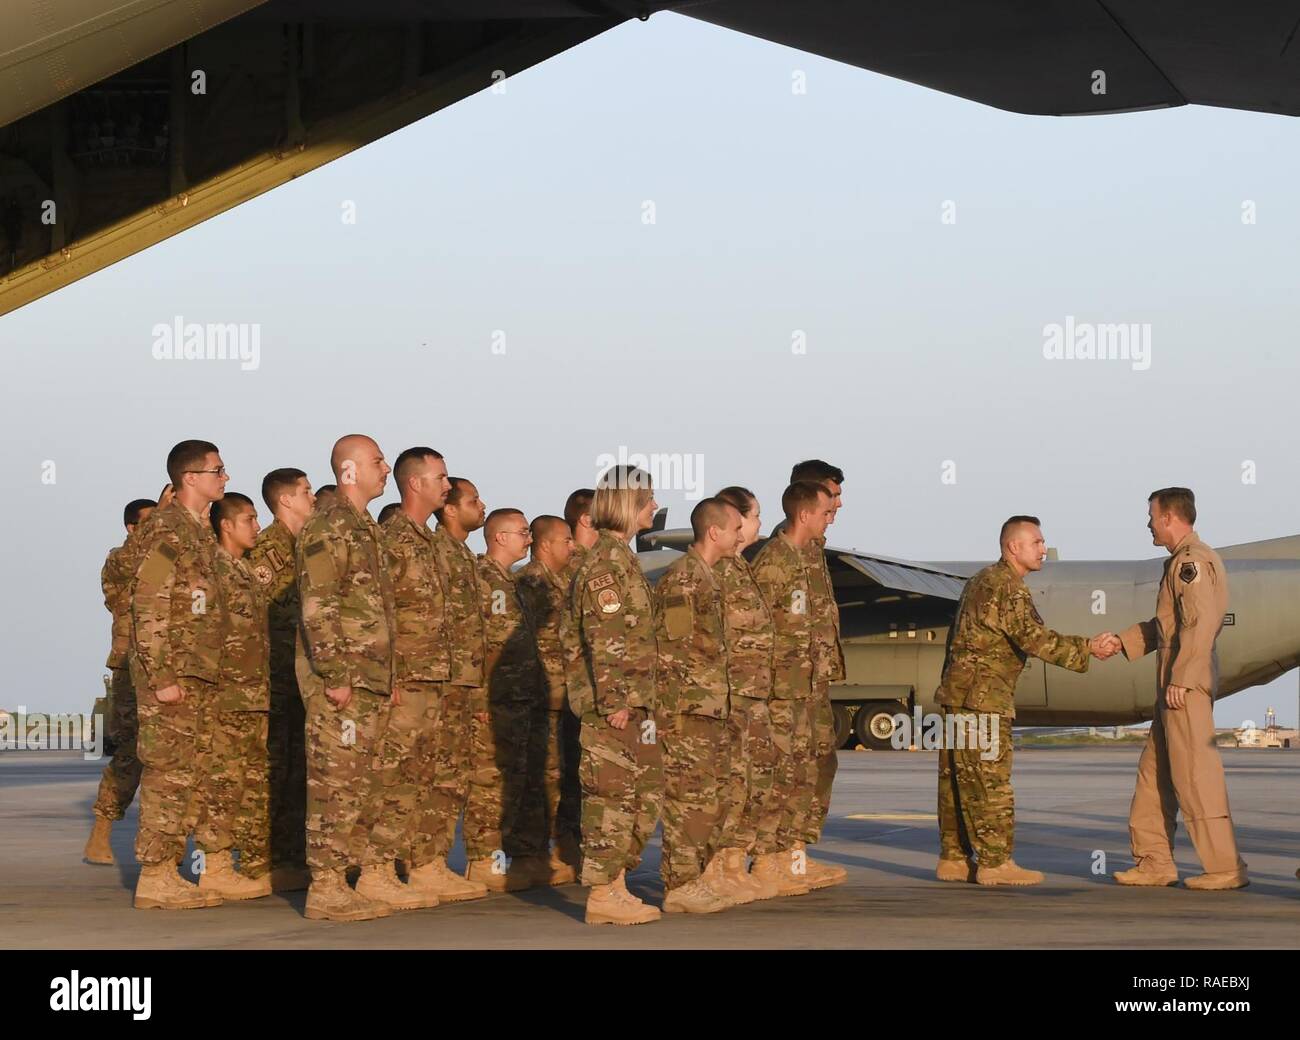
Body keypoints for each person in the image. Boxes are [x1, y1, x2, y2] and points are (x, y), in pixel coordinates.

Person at [935, 515, 1116, 886]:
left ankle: (954, 859)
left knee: (957, 780)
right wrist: (1087, 649)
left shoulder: (979, 581)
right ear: (1013, 547)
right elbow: (1033, 638)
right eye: (1036, 542)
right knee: (991, 782)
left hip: (959, 694)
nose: (1043, 548)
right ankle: (995, 864)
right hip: (985, 699)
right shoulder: (1008, 588)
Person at [295, 434, 408, 920]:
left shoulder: (364, 527)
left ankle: (345, 878)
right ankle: (325, 886)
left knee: (363, 783)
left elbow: (377, 611)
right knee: (335, 782)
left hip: (371, 680)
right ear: (349, 471)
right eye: (378, 461)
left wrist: (390, 675)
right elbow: (319, 603)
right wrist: (336, 674)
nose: (386, 469)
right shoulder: (329, 526)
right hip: (343, 682)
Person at [1112, 488, 1248, 891]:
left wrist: (1182, 679)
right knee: (1154, 777)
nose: (1148, 523)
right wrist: (1122, 642)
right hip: (1171, 686)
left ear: (1170, 517)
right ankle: (1155, 862)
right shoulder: (1178, 564)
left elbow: (1201, 624)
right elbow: (1169, 626)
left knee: (1195, 777)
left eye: (1152, 515)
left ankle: (1226, 867)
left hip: (1181, 687)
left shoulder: (1192, 563)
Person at [372, 449, 484, 902]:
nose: (446, 484)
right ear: (415, 484)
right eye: (439, 477)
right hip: (408, 680)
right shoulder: (391, 539)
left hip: (441, 679)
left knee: (431, 777)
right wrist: (390, 677)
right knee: (393, 777)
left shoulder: (432, 544)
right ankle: (377, 869)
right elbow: (379, 613)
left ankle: (426, 862)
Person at [130, 442, 229, 910]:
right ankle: (155, 873)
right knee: (168, 773)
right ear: (190, 478)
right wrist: (161, 673)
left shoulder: (201, 533)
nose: (224, 478)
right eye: (217, 470)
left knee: (192, 773)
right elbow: (148, 602)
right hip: (173, 676)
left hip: (201, 674)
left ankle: (171, 867)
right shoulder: (166, 529)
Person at [566, 465, 664, 925]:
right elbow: (604, 637)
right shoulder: (605, 564)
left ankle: (617, 884)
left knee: (639, 797)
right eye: (648, 499)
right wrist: (615, 701)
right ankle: (604, 893)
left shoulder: (622, 558)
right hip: (616, 706)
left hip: (636, 702)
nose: (655, 507)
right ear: (628, 504)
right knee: (611, 798)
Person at [656, 497, 744, 913]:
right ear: (714, 532)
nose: (739, 536)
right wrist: (673, 716)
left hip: (710, 708)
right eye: (734, 528)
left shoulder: (708, 577)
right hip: (688, 711)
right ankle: (680, 884)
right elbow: (672, 651)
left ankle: (696, 877)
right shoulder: (683, 580)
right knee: (688, 799)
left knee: (709, 798)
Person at [750, 481, 837, 895]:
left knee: (805, 774)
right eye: (824, 511)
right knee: (781, 776)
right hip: (780, 692)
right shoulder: (774, 563)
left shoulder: (806, 559)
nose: (830, 516)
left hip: (806, 687)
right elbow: (754, 631)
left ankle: (793, 859)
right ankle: (768, 860)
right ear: (804, 514)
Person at [463, 508, 547, 890]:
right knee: (490, 784)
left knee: (516, 778)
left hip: (519, 699)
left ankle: (504, 859)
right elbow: (477, 643)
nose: (528, 539)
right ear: (499, 537)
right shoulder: (486, 581)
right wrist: (479, 700)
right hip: (495, 703)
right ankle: (484, 862)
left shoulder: (510, 584)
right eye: (522, 532)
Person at [195, 492, 272, 901]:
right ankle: (215, 866)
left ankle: (239, 863)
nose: (257, 526)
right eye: (250, 519)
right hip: (225, 698)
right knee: (221, 785)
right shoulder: (213, 569)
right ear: (227, 525)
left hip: (251, 697)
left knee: (247, 786)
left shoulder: (243, 572)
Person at [712, 486, 782, 901]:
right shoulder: (718, 572)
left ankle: (734, 862)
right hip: (732, 697)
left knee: (752, 783)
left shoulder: (739, 569)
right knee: (731, 783)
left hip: (751, 695)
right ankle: (720, 864)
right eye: (754, 516)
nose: (758, 525)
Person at [248, 467, 315, 892]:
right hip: (272, 678)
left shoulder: (307, 547)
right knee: (270, 768)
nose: (312, 499)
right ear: (286, 500)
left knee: (297, 770)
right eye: (306, 492)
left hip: (300, 678)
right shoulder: (266, 550)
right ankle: (260, 860)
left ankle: (290, 857)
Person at [84, 495, 157, 865]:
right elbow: (132, 563)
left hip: (167, 667)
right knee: (131, 754)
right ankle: (101, 831)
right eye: (149, 522)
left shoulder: (166, 558)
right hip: (131, 667)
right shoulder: (120, 559)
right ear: (131, 528)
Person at [426, 478, 489, 891]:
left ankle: (433, 862)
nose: (481, 505)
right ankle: (422, 863)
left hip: (464, 685)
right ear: (450, 509)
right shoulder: (436, 552)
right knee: (431, 777)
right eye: (473, 500)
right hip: (440, 684)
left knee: (453, 778)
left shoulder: (463, 555)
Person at [516, 514, 581, 882]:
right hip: (541, 696)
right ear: (545, 545)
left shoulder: (563, 582)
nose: (572, 547)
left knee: (565, 776)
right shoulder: (530, 584)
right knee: (538, 778)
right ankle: (530, 854)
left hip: (566, 696)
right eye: (566, 541)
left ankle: (561, 847)